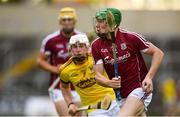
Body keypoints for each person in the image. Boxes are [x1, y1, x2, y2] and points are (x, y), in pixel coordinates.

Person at [91, 8, 164, 116]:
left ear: (113, 24)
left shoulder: (130, 37)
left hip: (140, 90)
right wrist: (108, 83)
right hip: (121, 97)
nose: (97, 25)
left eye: (101, 21)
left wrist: (149, 77)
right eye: (96, 21)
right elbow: (97, 75)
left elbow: (158, 53)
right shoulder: (96, 45)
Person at [59, 34, 119, 116]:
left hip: (114, 101)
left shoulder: (97, 57)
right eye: (75, 47)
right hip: (94, 109)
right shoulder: (65, 70)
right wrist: (70, 104)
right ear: (70, 49)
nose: (78, 50)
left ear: (87, 47)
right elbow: (64, 87)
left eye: (81, 46)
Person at [37, 7, 82, 116]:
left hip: (78, 85)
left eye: (69, 19)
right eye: (64, 20)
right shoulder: (51, 40)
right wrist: (56, 69)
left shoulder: (81, 38)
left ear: (74, 21)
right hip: (58, 87)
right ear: (60, 21)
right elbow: (40, 61)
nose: (67, 22)